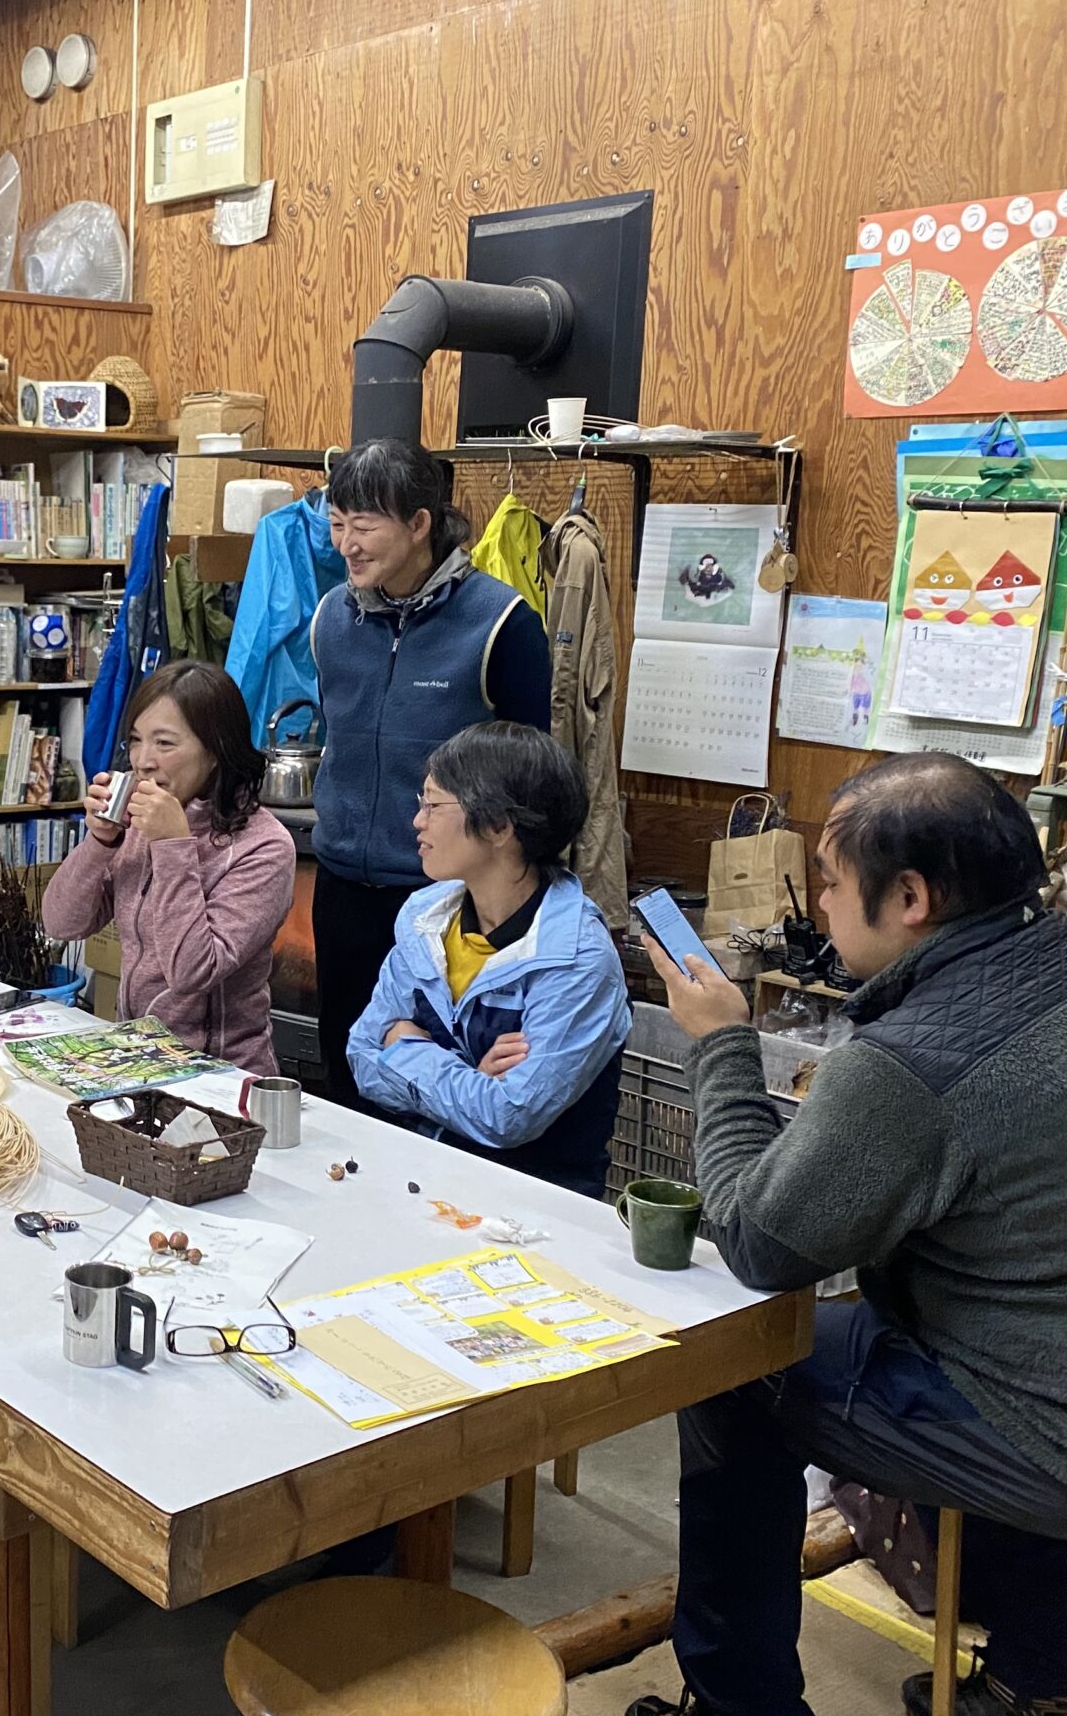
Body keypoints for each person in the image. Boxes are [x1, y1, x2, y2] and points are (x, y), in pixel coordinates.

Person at [623, 753, 1067, 1716]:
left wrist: (723, 1045)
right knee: (986, 1320)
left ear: (912, 899)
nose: (819, 905)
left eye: (831, 883)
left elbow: (759, 1242)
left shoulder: (914, 1061)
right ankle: (1044, 1673)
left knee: (734, 1369)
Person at [308, 437, 550, 1111]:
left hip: (445, 900)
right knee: (345, 1075)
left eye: (363, 526)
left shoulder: (501, 622)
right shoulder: (331, 619)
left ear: (419, 523)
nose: (347, 544)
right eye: (337, 524)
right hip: (342, 888)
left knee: (435, 1083)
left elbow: (533, 779)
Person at [345, 722, 627, 1194]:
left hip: (536, 1203)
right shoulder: (427, 919)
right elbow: (361, 1053)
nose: (417, 822)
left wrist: (406, 1046)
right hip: (423, 1176)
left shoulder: (577, 959)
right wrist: (470, 1078)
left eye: (433, 805)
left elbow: (507, 1116)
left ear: (499, 826)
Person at [40, 661, 296, 1073]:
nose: (143, 761)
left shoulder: (264, 846)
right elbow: (61, 924)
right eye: (136, 741)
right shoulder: (139, 824)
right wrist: (100, 841)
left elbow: (193, 972)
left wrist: (173, 845)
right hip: (136, 1058)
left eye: (164, 743)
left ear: (215, 751)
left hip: (220, 1073)